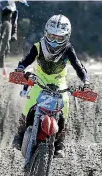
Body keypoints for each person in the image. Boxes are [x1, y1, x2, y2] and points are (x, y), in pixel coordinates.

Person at [14, 15, 90, 158]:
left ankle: (59, 143)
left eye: (59, 38)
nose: (54, 41)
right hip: (40, 80)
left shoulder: (68, 49)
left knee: (65, 104)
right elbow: (26, 60)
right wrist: (20, 69)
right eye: (51, 36)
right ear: (45, 33)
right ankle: (20, 134)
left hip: (59, 82)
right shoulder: (38, 46)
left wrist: (86, 82)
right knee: (30, 103)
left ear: (66, 37)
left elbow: (79, 67)